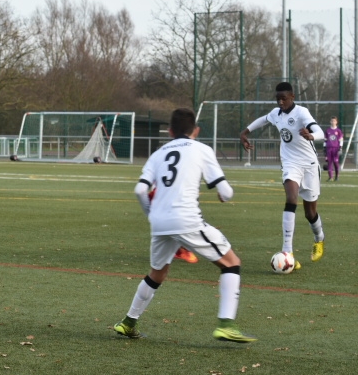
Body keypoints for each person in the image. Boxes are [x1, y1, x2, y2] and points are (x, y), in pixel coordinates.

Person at [114, 107, 256, 343]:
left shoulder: (158, 154)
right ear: (196, 131)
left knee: (157, 273)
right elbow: (226, 192)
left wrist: (151, 214)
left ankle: (128, 323)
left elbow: (140, 190)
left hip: (159, 222)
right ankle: (226, 325)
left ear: (170, 131)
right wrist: (223, 195)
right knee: (232, 263)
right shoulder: (201, 149)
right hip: (186, 219)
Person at [240, 82, 326, 270]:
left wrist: (312, 136)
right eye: (278, 99)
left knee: (310, 213)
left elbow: (319, 131)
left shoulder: (301, 112)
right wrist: (245, 132)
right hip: (290, 163)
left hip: (309, 166)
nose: (280, 102)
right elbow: (263, 119)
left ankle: (319, 238)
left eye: (284, 99)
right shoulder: (276, 113)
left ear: (292, 97)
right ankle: (288, 251)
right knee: (291, 198)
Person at [324, 117, 343, 181]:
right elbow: (325, 140)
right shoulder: (327, 130)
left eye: (334, 121)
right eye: (332, 121)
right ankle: (330, 177)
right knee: (329, 162)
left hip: (336, 148)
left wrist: (340, 147)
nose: (333, 122)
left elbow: (341, 140)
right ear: (330, 122)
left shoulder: (338, 131)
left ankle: (337, 176)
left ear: (336, 122)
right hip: (329, 148)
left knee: (335, 162)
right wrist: (324, 148)